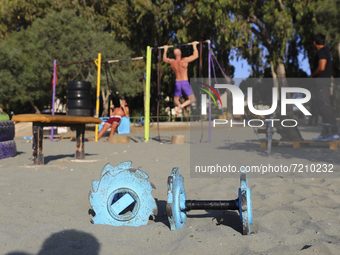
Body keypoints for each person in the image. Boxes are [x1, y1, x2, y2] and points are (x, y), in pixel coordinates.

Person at [311, 33, 338, 140]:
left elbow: (321, 67)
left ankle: (335, 132)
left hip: (322, 83)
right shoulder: (324, 51)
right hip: (320, 84)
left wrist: (313, 75)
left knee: (326, 107)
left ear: (314, 42)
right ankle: (325, 133)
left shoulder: (322, 52)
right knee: (321, 108)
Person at [163, 42, 198, 116]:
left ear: (174, 55)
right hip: (185, 82)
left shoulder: (172, 62)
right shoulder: (184, 61)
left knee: (175, 100)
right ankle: (181, 106)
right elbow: (196, 55)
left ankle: (178, 106)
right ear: (181, 53)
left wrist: (165, 50)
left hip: (177, 83)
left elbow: (164, 59)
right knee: (192, 99)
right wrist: (194, 46)